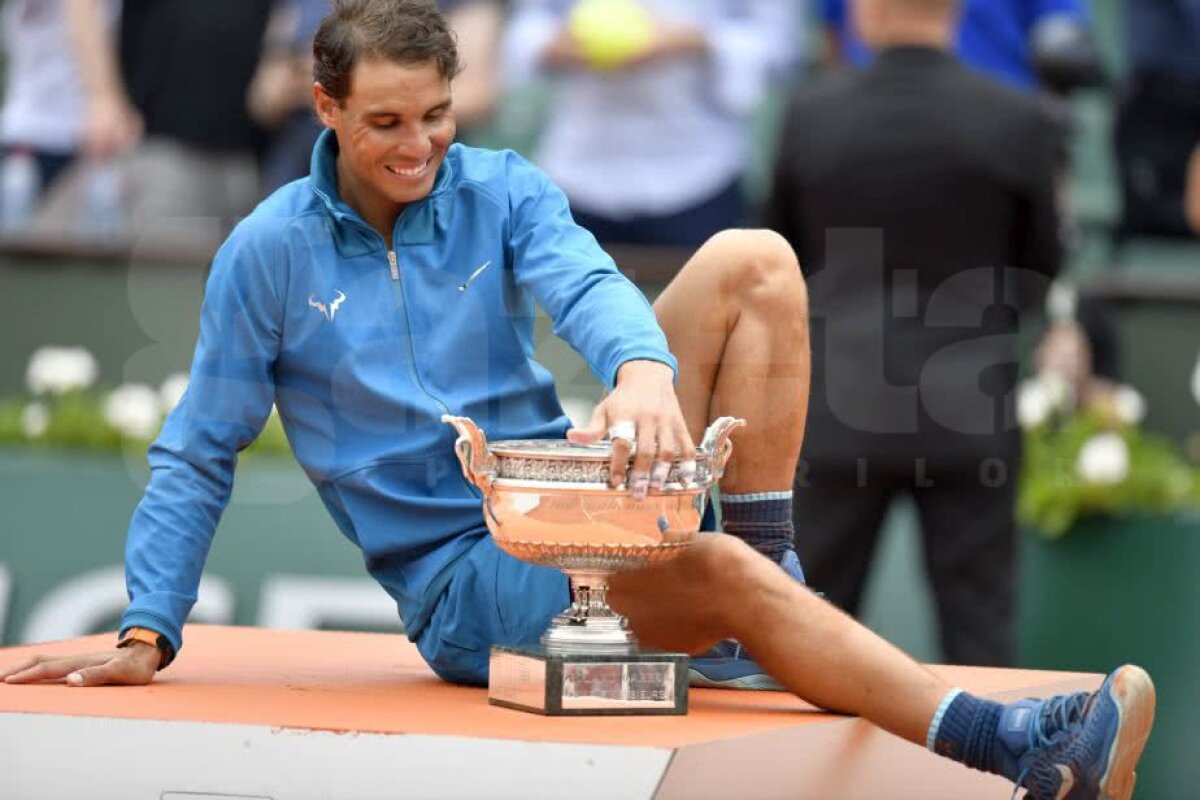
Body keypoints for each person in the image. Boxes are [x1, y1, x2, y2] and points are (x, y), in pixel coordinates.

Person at [0, 3, 1154, 798]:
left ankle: (758, 599)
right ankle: (1006, 747)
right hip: (464, 582)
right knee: (703, 574)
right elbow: (199, 447)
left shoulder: (502, 186)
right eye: (388, 123)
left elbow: (591, 284)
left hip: (567, 493)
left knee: (754, 257)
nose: (421, 147)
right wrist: (150, 624)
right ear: (326, 108)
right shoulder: (267, 252)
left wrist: (643, 371)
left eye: (439, 116)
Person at [764, 0, 1063, 668]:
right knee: (980, 643)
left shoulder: (812, 114)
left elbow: (777, 254)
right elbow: (1041, 263)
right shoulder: (1017, 118)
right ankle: (996, 773)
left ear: (864, 12)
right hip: (968, 410)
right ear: (955, 11)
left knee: (805, 642)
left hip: (840, 408)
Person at [501, 0, 798, 247]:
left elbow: (779, 49)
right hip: (577, 172)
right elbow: (525, 31)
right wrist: (555, 45)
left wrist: (697, 40)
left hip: (699, 174)